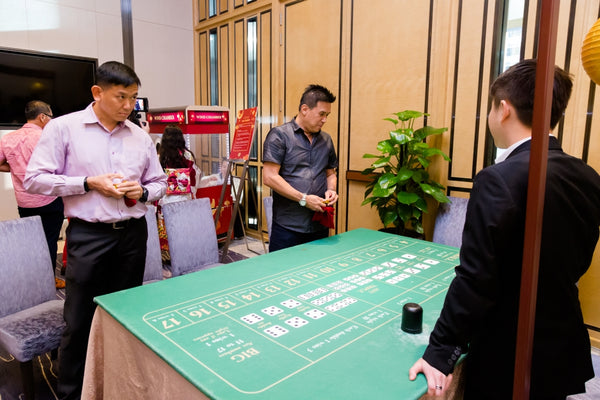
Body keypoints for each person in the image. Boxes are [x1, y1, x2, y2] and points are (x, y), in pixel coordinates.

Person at [409, 59, 600, 399]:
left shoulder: (498, 179)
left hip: (508, 350)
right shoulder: (587, 176)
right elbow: (578, 259)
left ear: (503, 109)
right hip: (561, 342)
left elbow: (477, 279)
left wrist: (440, 352)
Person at [24, 61, 167, 400]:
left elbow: (160, 182)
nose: (128, 106)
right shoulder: (63, 128)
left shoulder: (139, 137)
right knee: (79, 320)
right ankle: (72, 392)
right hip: (89, 236)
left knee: (125, 314)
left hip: (133, 235)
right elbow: (34, 179)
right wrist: (87, 183)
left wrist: (143, 192)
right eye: (121, 97)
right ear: (97, 92)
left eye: (133, 98)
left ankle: (120, 385)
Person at [263, 84, 339, 252]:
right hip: (288, 226)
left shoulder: (326, 140)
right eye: (321, 114)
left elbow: (330, 173)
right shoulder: (279, 136)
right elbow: (269, 177)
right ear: (304, 109)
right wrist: (303, 199)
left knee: (317, 273)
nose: (325, 119)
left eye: (327, 115)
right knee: (282, 274)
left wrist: (331, 189)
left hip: (319, 224)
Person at [0, 100, 65, 288]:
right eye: (51, 116)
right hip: (49, 199)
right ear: (43, 117)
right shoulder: (46, 138)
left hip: (24, 201)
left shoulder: (8, 138)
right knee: (50, 241)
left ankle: (30, 280)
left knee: (32, 240)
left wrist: (16, 170)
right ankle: (48, 281)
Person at [157, 124, 199, 262]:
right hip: (184, 198)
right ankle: (184, 254)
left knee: (168, 229)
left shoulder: (161, 157)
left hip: (166, 199)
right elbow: (194, 178)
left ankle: (167, 256)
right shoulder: (187, 155)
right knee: (183, 227)